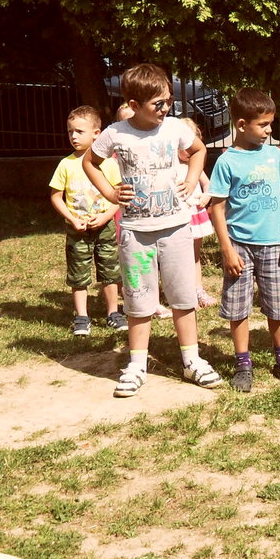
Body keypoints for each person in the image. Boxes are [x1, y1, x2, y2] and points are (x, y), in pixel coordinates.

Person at [84, 63, 224, 398]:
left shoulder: (175, 128)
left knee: (183, 297)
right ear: (134, 105)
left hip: (176, 230)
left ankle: (191, 360)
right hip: (136, 233)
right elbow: (90, 162)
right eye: (158, 104)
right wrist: (110, 193)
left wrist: (192, 179)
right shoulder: (116, 133)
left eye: (168, 101)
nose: (165, 108)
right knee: (138, 299)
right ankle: (136, 365)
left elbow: (199, 150)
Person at [207, 88, 280, 392]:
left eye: (270, 124)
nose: (269, 130)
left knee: (276, 306)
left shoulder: (275, 156)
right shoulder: (227, 162)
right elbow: (216, 207)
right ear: (241, 125)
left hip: (273, 245)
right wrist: (227, 249)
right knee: (238, 308)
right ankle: (243, 364)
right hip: (239, 246)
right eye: (263, 125)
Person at [48, 106, 124, 337]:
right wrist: (71, 219)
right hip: (77, 230)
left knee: (110, 271)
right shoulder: (66, 164)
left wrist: (104, 217)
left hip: (105, 227)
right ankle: (81, 317)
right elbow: (56, 197)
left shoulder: (108, 164)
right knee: (78, 273)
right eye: (70, 131)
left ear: (96, 133)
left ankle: (113, 313)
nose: (74, 136)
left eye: (79, 131)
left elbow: (119, 197)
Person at [180, 117, 218, 310]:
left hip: (195, 214)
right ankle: (183, 292)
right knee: (179, 257)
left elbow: (208, 184)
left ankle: (198, 290)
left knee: (194, 256)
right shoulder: (171, 165)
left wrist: (206, 195)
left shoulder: (193, 166)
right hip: (179, 216)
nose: (188, 152)